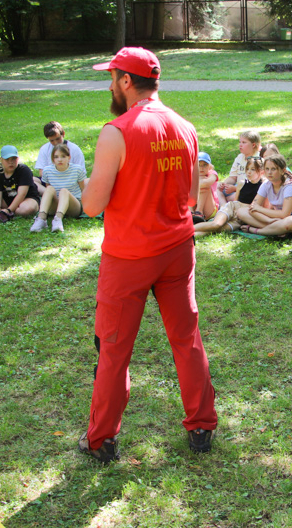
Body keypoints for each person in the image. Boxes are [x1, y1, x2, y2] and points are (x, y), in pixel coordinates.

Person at [78, 47, 217, 463]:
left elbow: (90, 206)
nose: (109, 84)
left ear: (126, 82)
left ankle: (101, 440)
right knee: (187, 339)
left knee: (114, 348)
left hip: (129, 257)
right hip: (177, 249)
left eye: (112, 77)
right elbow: (192, 196)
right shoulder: (185, 127)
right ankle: (202, 427)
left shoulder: (116, 131)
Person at [237, 155, 292, 236]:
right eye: (267, 169)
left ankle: (257, 231)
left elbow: (285, 214)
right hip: (275, 218)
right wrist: (269, 220)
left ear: (283, 171)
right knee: (241, 211)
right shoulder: (266, 184)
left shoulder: (290, 186)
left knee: (290, 222)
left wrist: (260, 209)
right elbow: (252, 208)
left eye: (273, 169)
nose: (269, 172)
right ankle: (276, 229)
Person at [194, 157, 266, 238]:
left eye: (253, 169)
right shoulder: (242, 183)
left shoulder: (264, 186)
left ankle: (190, 236)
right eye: (247, 169)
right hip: (232, 208)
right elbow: (235, 202)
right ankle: (187, 230)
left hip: (241, 218)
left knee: (218, 230)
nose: (249, 172)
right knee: (216, 224)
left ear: (261, 172)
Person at [30, 142, 87, 233]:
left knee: (64, 191)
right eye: (56, 157)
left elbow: (83, 190)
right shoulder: (47, 171)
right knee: (49, 189)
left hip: (74, 205)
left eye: (63, 156)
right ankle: (41, 219)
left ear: (69, 158)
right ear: (53, 159)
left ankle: (58, 220)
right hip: (57, 203)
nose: (59, 160)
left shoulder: (77, 169)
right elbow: (49, 190)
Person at [34, 121, 86, 194]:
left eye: (58, 139)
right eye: (52, 140)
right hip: (51, 181)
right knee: (33, 180)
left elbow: (81, 172)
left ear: (63, 134)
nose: (55, 143)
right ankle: (51, 195)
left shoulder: (74, 149)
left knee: (88, 181)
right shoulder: (45, 149)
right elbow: (41, 172)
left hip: (70, 181)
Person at [217, 130, 262, 206]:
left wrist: (235, 189)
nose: (240, 145)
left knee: (232, 197)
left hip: (250, 192)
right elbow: (233, 177)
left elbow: (255, 185)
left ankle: (228, 208)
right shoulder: (239, 157)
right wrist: (224, 184)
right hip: (237, 188)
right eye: (240, 142)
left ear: (253, 145)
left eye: (244, 142)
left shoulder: (258, 159)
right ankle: (223, 207)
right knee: (217, 187)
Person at [193, 151, 219, 222]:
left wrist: (193, 185)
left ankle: (199, 212)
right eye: (199, 165)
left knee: (204, 185)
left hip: (210, 209)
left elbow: (207, 183)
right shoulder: (192, 174)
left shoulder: (212, 173)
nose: (201, 168)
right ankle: (190, 212)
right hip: (194, 205)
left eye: (205, 165)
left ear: (210, 167)